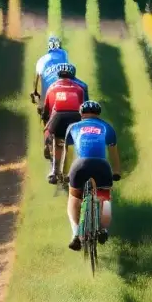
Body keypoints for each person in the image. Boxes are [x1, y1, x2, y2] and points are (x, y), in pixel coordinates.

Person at [61, 101, 121, 250]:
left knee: (74, 198)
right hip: (102, 166)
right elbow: (114, 153)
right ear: (98, 114)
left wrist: (64, 173)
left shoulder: (73, 127)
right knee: (105, 197)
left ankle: (75, 233)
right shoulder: (107, 127)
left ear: (81, 114)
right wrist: (117, 172)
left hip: (79, 166)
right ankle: (104, 229)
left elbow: (66, 153)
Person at [42, 64, 86, 182]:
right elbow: (82, 107)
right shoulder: (79, 88)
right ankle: (73, 170)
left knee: (57, 143)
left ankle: (55, 172)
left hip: (59, 116)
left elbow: (47, 109)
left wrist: (46, 119)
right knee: (73, 143)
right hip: (76, 116)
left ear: (58, 75)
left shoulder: (52, 87)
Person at [32, 36, 68, 102]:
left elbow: (36, 77)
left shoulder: (42, 59)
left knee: (42, 108)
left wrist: (35, 92)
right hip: (62, 89)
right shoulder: (64, 54)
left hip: (48, 92)